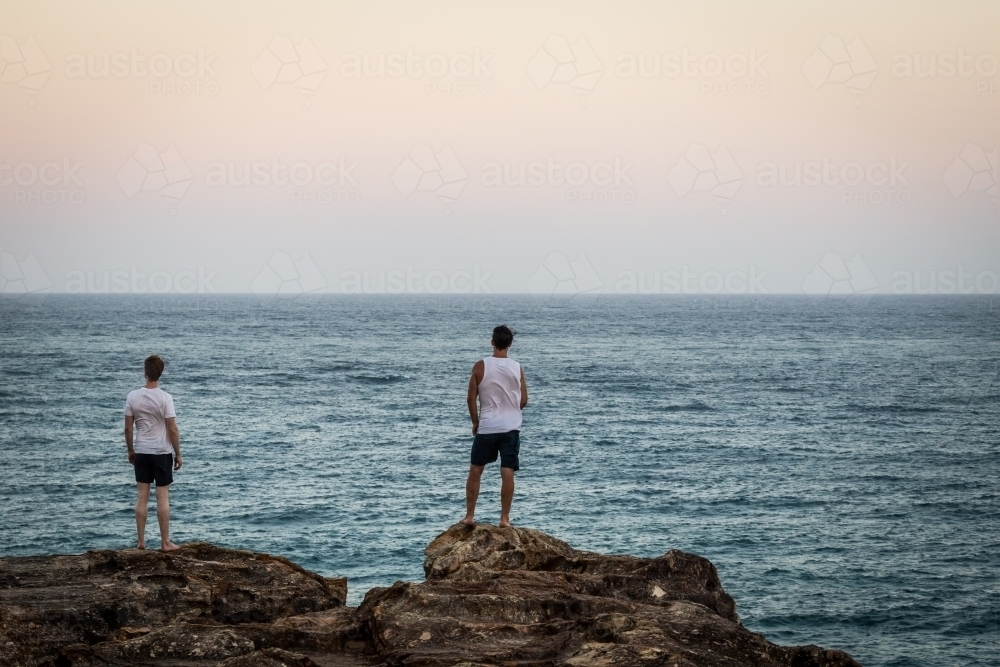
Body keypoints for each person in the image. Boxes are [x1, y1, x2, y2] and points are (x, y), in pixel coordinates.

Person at [461, 325, 528, 528]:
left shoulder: (480, 366)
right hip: (511, 428)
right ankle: (504, 519)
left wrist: (475, 422)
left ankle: (470, 516)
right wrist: (510, 408)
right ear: (510, 343)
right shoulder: (517, 367)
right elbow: (523, 400)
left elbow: (471, 398)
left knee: (475, 470)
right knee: (507, 471)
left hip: (488, 427)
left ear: (492, 341)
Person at [124, 355, 183, 551]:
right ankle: (165, 543)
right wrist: (178, 453)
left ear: (145, 373)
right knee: (162, 497)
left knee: (142, 497)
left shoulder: (132, 396)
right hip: (161, 452)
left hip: (142, 451)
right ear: (160, 373)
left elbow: (128, 429)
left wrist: (131, 450)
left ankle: (140, 542)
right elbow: (172, 429)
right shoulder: (165, 398)